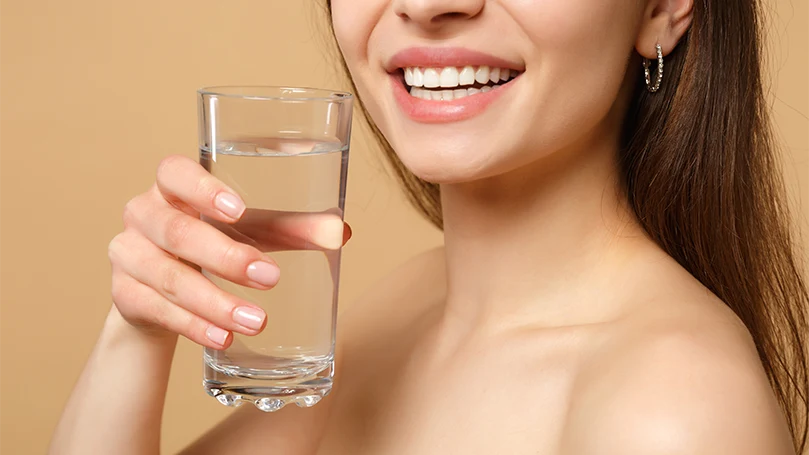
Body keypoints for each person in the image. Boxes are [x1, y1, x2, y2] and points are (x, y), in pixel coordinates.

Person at [50, 0, 809, 453]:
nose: (426, 2)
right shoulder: (401, 310)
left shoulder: (673, 413)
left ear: (661, 5)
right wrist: (138, 326)